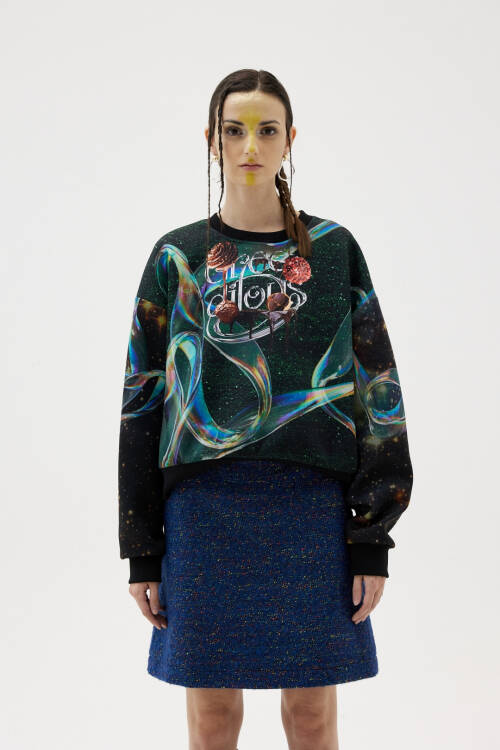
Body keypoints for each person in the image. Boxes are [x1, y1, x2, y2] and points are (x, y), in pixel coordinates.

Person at [117, 68, 413, 750]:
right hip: (202, 515)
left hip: (311, 513)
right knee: (212, 721)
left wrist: (371, 534)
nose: (250, 145)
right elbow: (142, 401)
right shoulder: (177, 257)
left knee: (311, 718)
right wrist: (142, 548)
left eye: (266, 129)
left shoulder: (334, 251)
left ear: (290, 140)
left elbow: (380, 391)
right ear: (211, 140)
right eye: (234, 130)